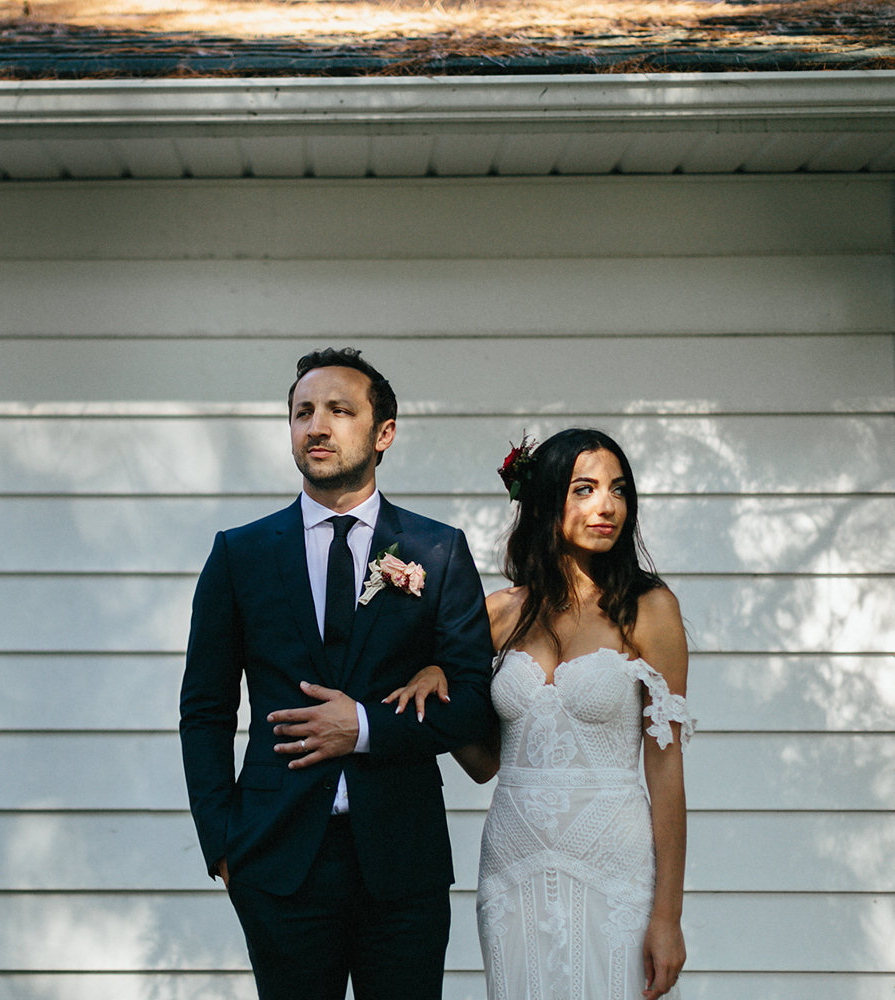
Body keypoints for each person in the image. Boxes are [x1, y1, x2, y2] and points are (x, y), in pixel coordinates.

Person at [179, 347, 498, 1000]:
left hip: (402, 862)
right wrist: (222, 842)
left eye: (338, 410)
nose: (316, 426)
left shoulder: (437, 551)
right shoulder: (239, 555)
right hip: (276, 859)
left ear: (383, 434)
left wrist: (363, 726)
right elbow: (206, 710)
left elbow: (470, 706)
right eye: (302, 413)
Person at [386, 428, 691, 1000]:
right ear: (547, 502)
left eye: (619, 490)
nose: (607, 506)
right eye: (585, 489)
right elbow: (484, 763)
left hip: (614, 864)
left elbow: (667, 771)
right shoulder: (498, 614)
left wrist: (667, 917)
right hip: (513, 863)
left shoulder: (649, 610)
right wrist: (436, 683)